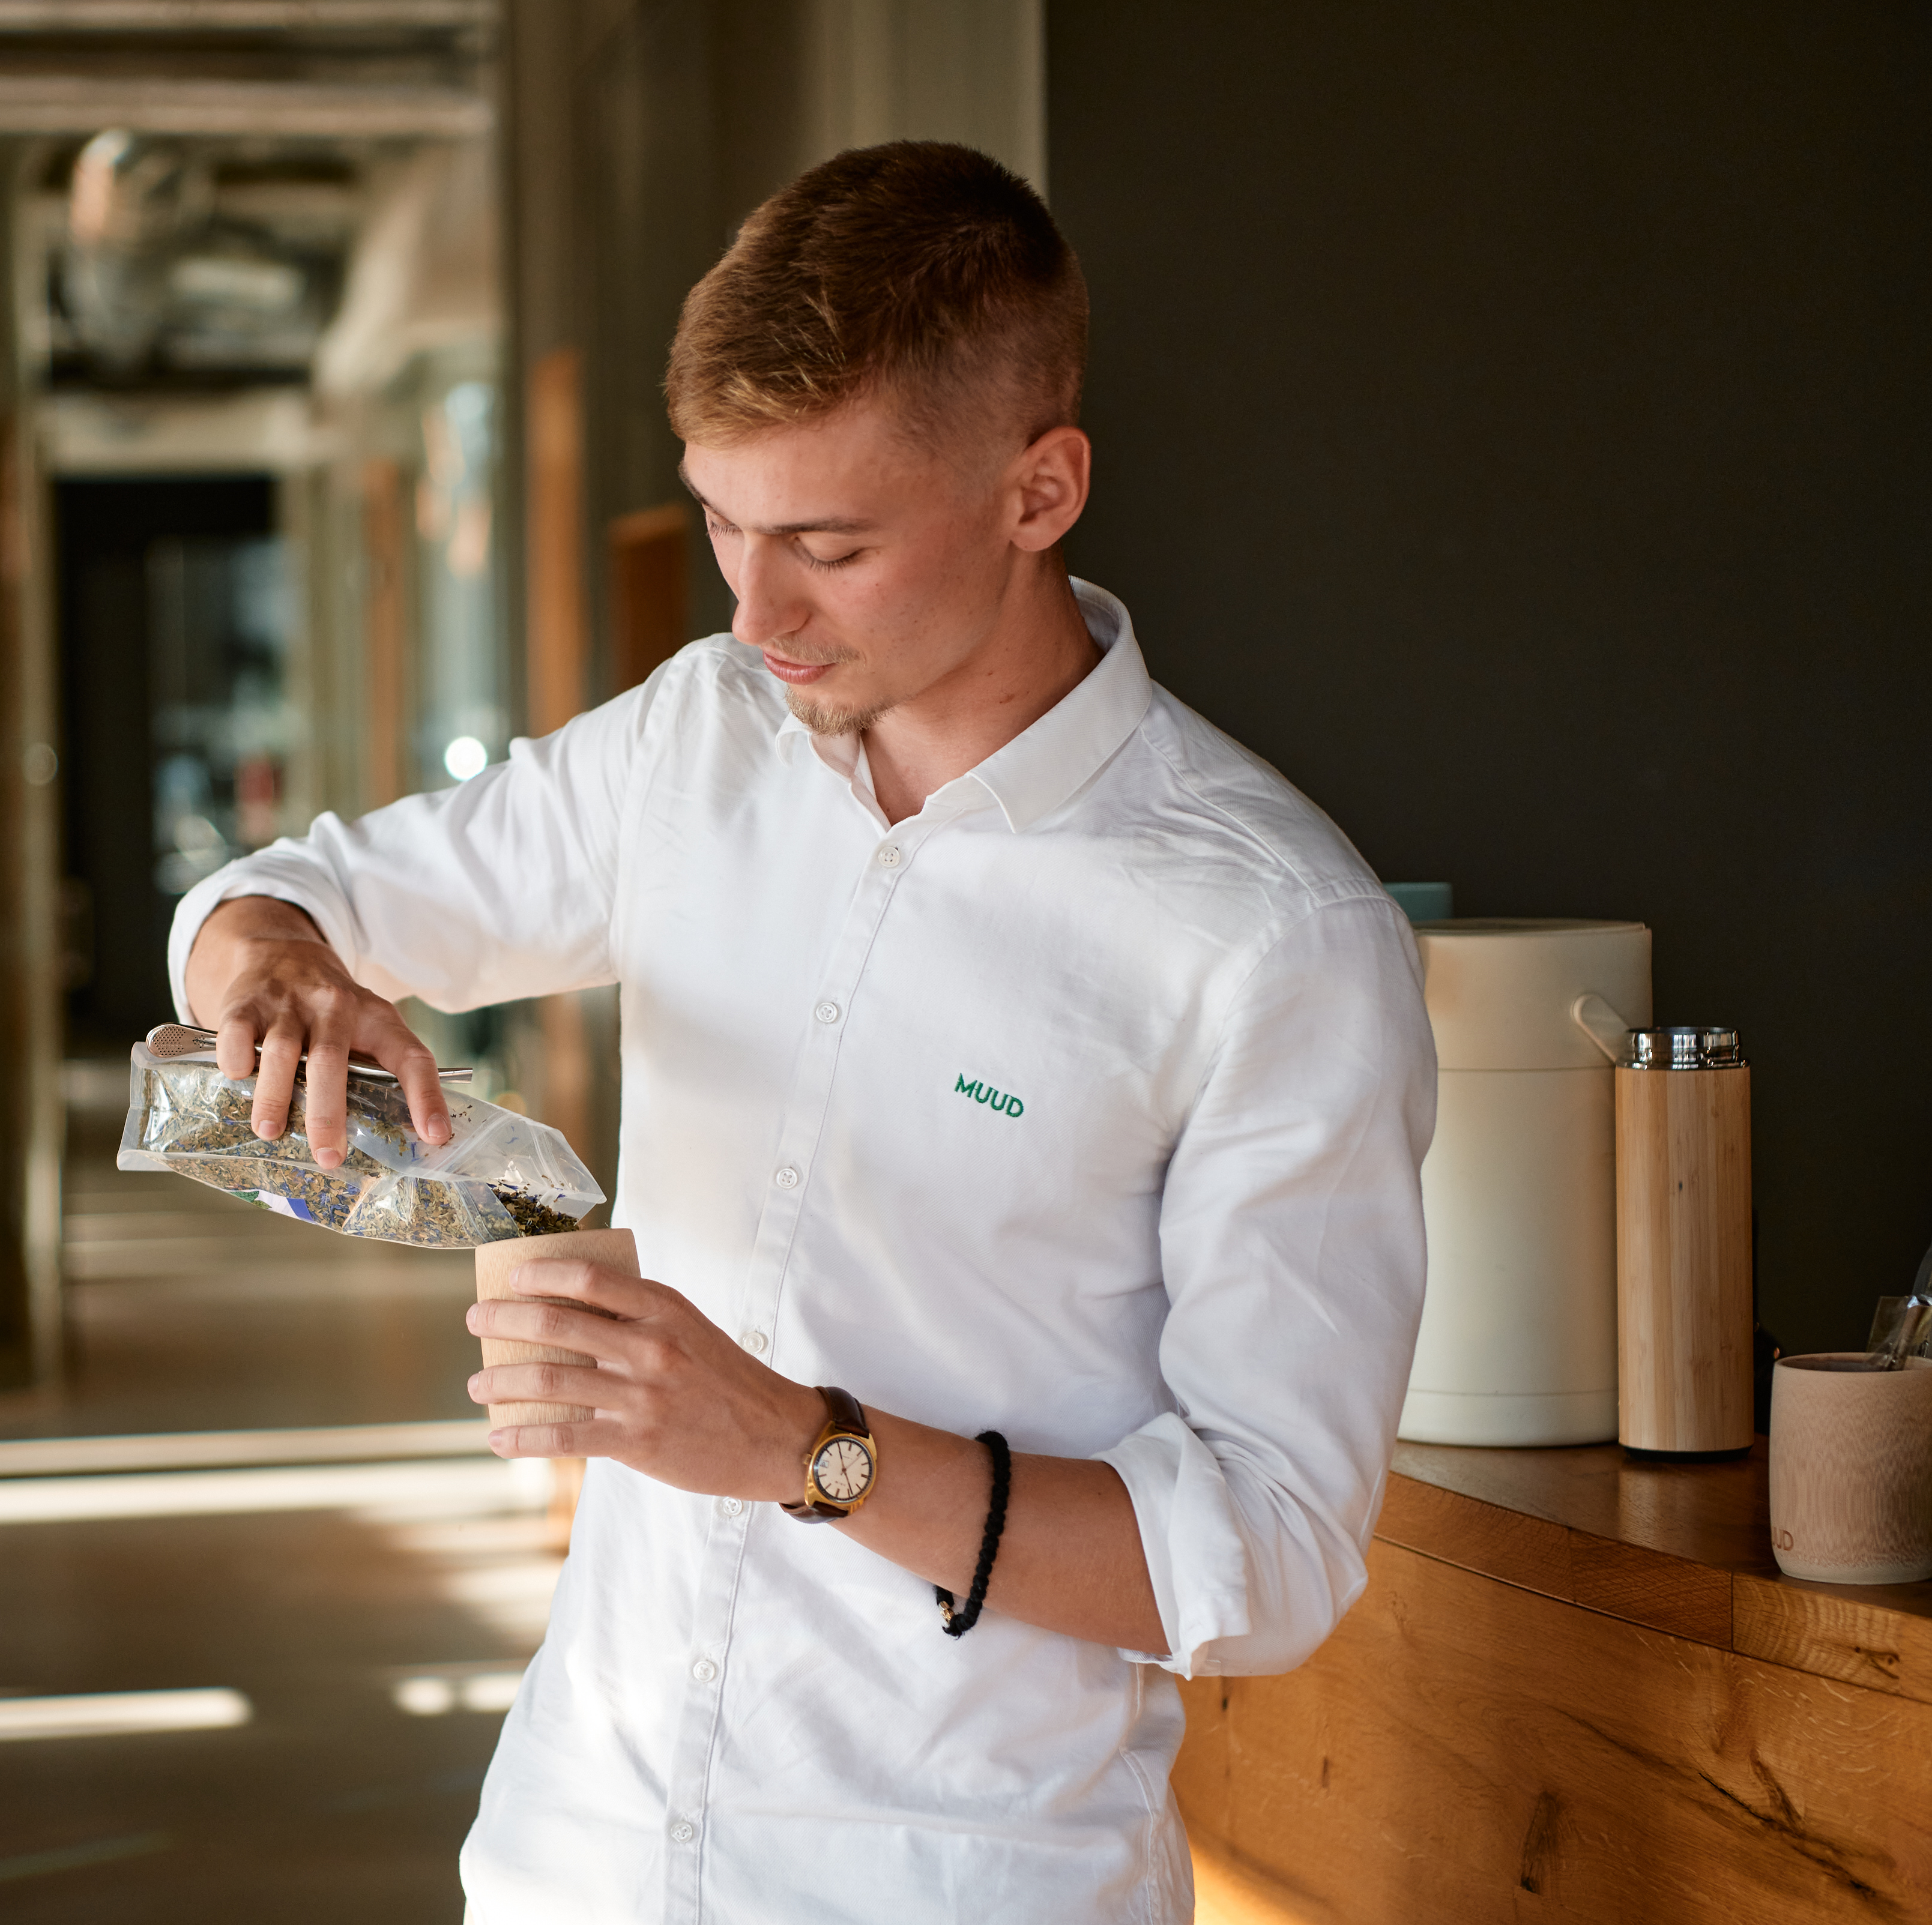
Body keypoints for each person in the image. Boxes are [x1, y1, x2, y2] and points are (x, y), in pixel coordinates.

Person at [175, 142, 1436, 1921]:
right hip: (574, 1851)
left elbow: (1268, 1556)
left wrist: (799, 1448)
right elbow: (278, 897)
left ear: (1038, 488)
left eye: (828, 545)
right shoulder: (695, 740)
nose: (752, 613)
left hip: (954, 1879)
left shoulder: (1272, 936)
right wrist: (271, 971)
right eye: (721, 523)